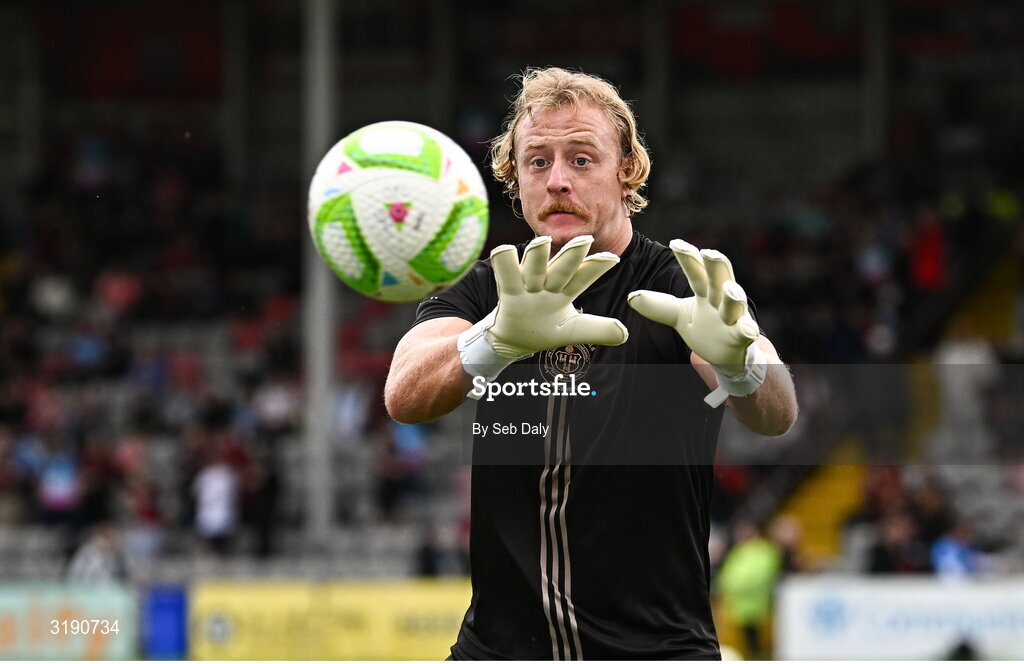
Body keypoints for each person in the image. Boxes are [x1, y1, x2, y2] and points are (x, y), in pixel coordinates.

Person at [384, 67, 798, 660]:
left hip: (656, 652)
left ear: (627, 169)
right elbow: (404, 393)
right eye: (537, 161)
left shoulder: (677, 285)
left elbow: (775, 414)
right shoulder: (489, 291)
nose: (557, 181)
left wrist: (742, 365)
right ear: (514, 178)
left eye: (581, 159)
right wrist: (494, 339)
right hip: (500, 652)